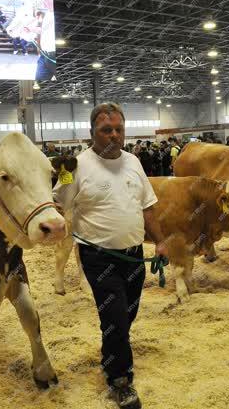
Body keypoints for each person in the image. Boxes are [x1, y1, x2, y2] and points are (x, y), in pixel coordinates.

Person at [53, 103, 168, 409]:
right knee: (115, 317)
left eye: (119, 129)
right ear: (92, 133)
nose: (114, 135)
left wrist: (160, 241)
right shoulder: (77, 167)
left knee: (126, 315)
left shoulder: (133, 162)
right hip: (98, 257)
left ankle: (111, 356)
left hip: (134, 255)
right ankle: (120, 381)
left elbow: (148, 206)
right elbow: (56, 203)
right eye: (106, 130)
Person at [35, 0, 56, 81]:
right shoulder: (48, 14)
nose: (44, 2)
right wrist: (31, 29)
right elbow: (43, 31)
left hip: (54, 56)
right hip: (44, 55)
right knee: (39, 81)